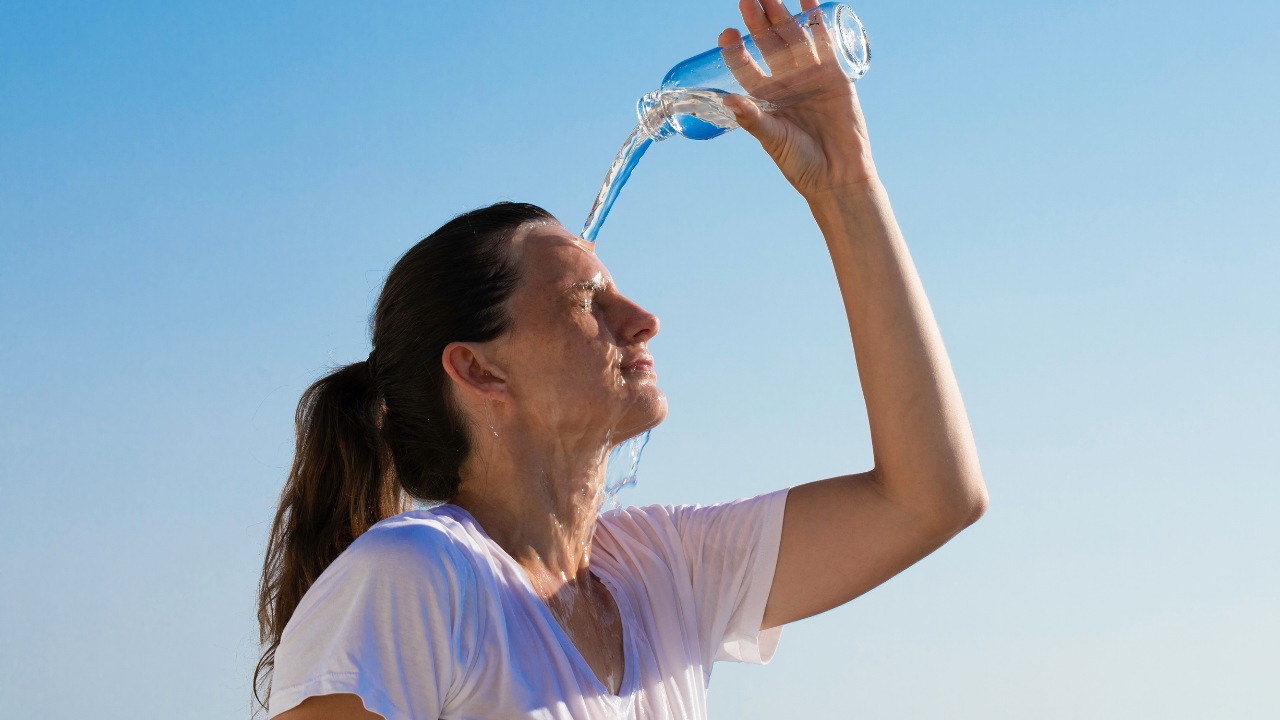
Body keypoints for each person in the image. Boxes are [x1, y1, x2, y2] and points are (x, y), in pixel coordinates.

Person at [255, 1, 988, 718]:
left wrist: (846, 186)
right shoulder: (420, 576)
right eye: (584, 302)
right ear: (480, 371)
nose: (642, 321)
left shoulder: (663, 571)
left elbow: (930, 499)